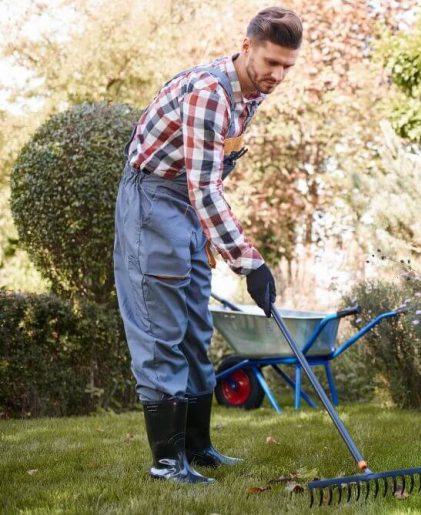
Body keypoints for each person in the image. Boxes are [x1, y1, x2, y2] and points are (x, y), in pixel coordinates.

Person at [113, 7, 302, 484]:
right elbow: (204, 186)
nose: (277, 75)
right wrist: (249, 262)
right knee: (163, 332)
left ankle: (197, 448)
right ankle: (165, 464)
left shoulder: (250, 92)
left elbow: (210, 175)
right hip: (154, 201)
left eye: (286, 66)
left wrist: (214, 236)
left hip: (188, 205)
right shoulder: (208, 94)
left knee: (196, 330)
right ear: (246, 48)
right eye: (270, 62)